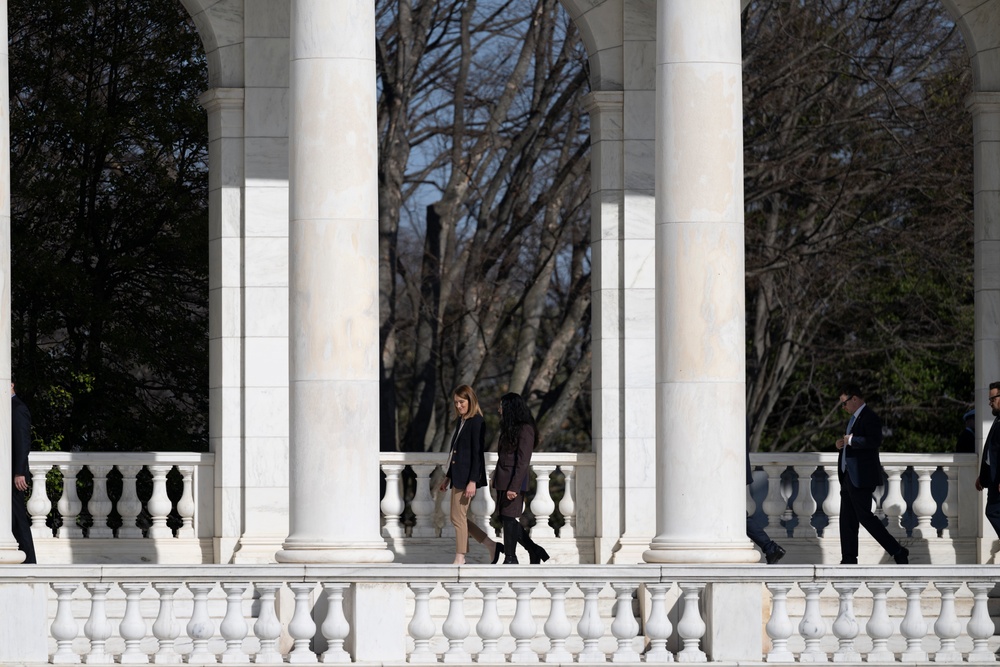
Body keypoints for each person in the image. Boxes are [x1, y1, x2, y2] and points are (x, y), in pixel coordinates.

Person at [835, 384, 908, 565]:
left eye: (844, 403)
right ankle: (849, 558)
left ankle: (897, 550)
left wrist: (851, 440)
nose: (843, 408)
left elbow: (874, 440)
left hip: (861, 476)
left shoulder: (869, 416)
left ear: (854, 399)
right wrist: (842, 445)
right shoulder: (852, 419)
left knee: (865, 517)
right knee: (847, 520)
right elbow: (854, 445)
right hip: (848, 476)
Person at [440, 385, 503, 565]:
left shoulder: (477, 421)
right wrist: (447, 477)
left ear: (470, 400)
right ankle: (491, 544)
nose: (459, 406)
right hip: (457, 475)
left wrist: (473, 481)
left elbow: (477, 454)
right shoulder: (462, 421)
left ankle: (460, 557)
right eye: (456, 403)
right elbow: (457, 452)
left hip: (467, 477)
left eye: (462, 402)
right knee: (457, 517)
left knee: (457, 517)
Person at [493, 392, 549, 564]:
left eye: (502, 405)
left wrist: (514, 487)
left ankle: (511, 557)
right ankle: (534, 550)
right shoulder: (509, 428)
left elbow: (523, 461)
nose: (499, 409)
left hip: (513, 481)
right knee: (504, 517)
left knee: (509, 518)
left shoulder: (526, 429)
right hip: (503, 479)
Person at [746, 420, 784, 564]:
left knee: (736, 517)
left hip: (726, 474)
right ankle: (770, 548)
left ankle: (770, 548)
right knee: (737, 517)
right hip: (730, 473)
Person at [11, 383, 35, 564]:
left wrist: (19, 472)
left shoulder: (17, 408)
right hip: (7, 474)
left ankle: (29, 562)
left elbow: (23, 442)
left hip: (14, 475)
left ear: (11, 384)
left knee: (19, 518)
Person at [976, 382, 1000, 537]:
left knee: (993, 511)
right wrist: (983, 478)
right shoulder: (997, 419)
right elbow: (991, 454)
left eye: (993, 398)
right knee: (992, 510)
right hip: (993, 479)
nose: (990, 403)